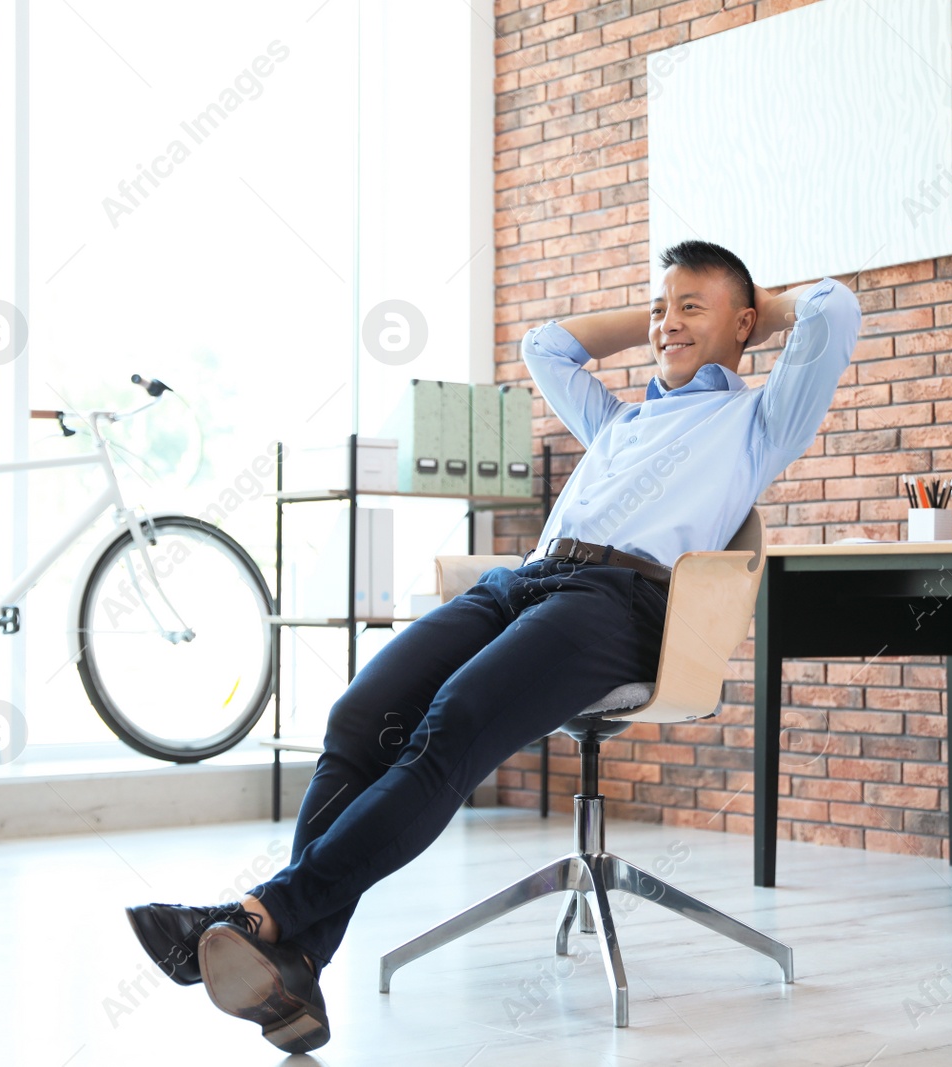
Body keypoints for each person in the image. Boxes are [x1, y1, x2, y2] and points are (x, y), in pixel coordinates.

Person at [124, 239, 863, 1054]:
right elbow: (544, 347)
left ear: (746, 324)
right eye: (660, 306)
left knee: (452, 723)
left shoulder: (757, 421)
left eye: (693, 307)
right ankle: (297, 957)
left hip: (622, 605)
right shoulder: (622, 418)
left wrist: (746, 314)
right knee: (358, 718)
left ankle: (255, 914)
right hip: (524, 582)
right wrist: (672, 322)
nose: (666, 323)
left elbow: (835, 308)